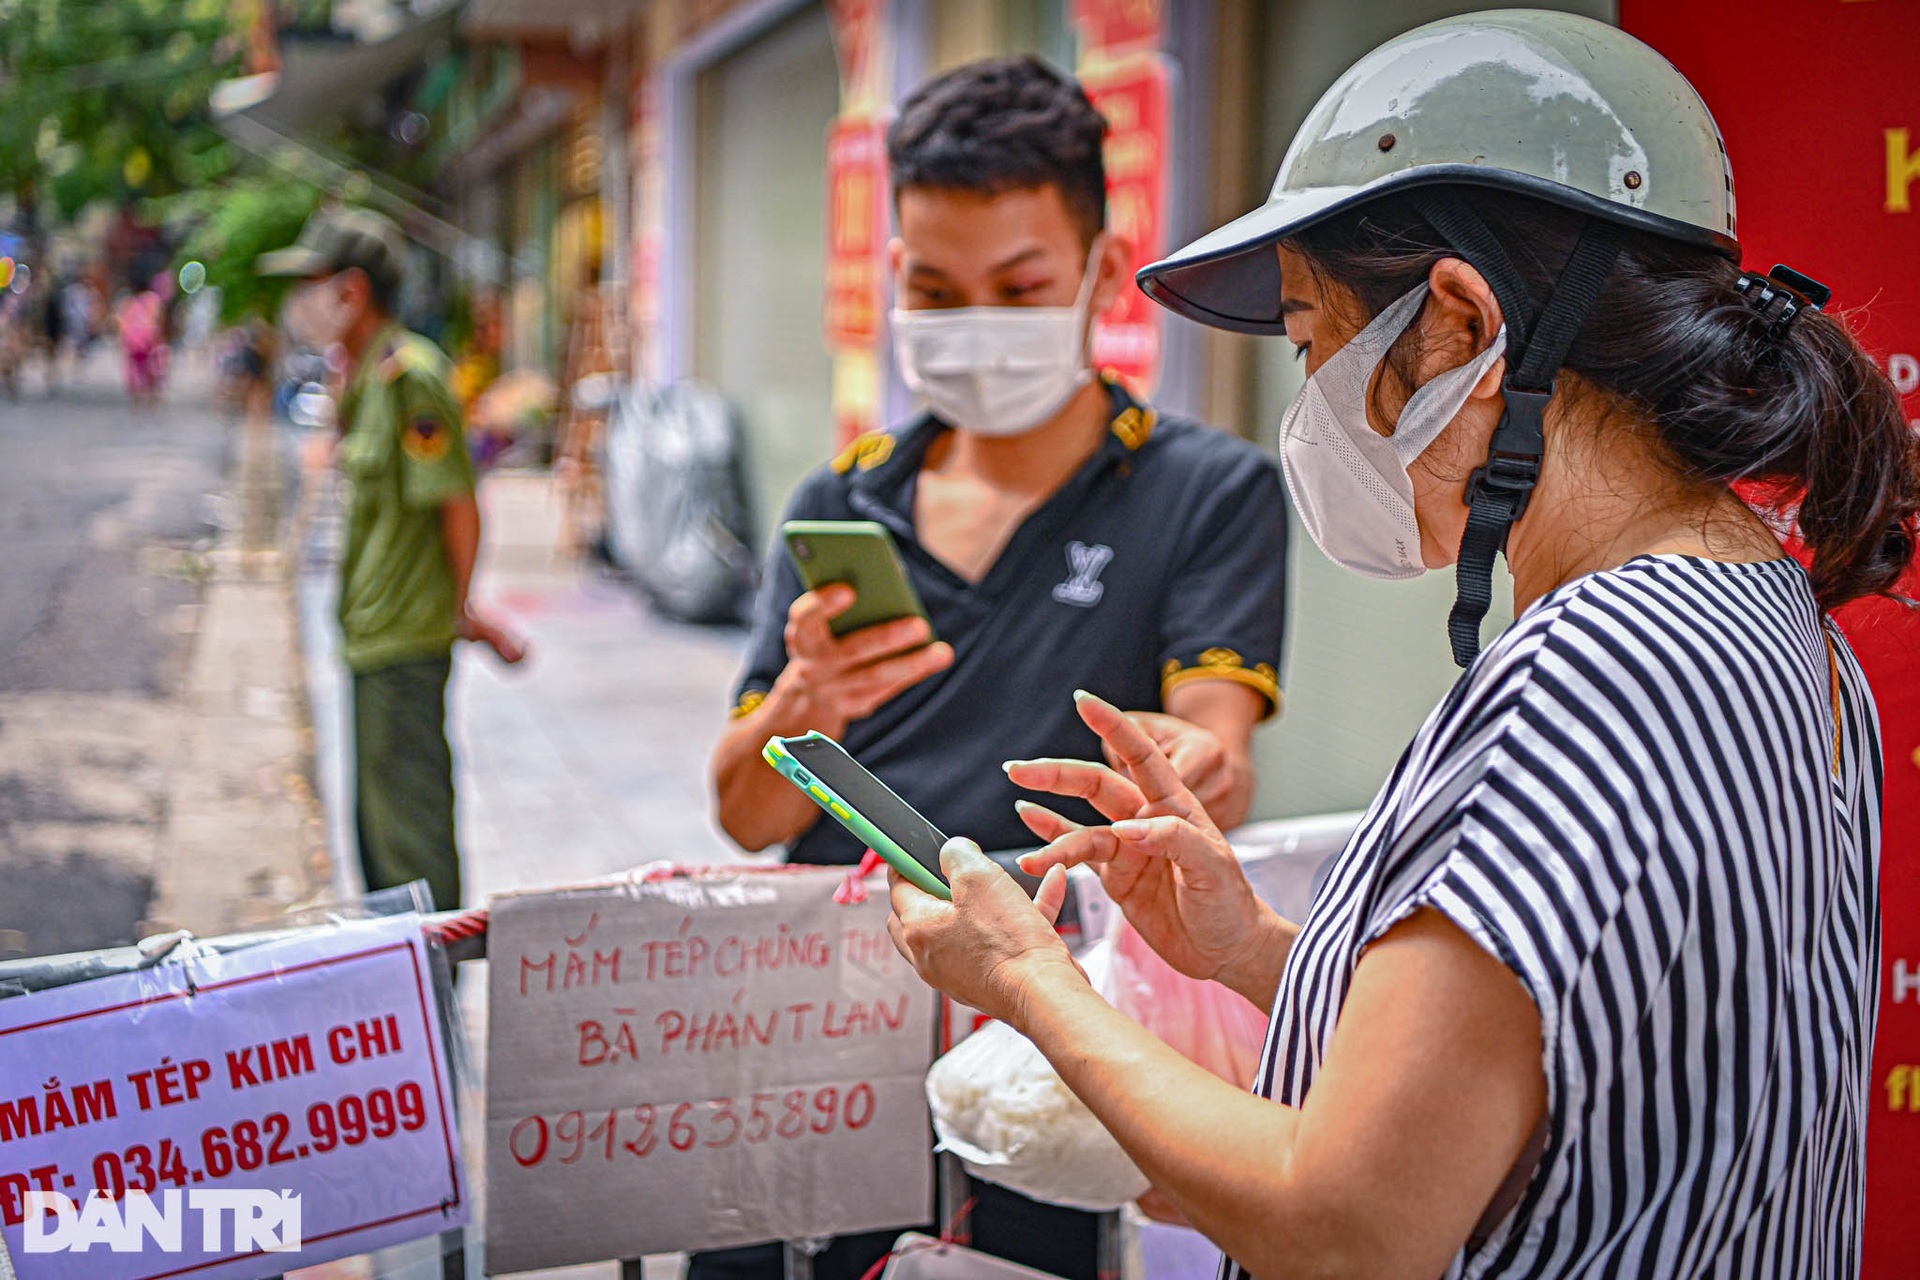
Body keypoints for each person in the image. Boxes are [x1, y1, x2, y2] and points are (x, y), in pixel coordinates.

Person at [885, 12, 1918, 1280]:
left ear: (1458, 326)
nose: (1307, 404)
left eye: (1313, 342)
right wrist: (1252, 948)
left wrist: (1031, 979)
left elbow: (1348, 1224)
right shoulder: (1771, 616)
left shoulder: (1601, 667)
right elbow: (1547, 1073)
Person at [707, 56, 1288, 1280]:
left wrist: (1186, 763)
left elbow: (1215, 753)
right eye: (934, 285)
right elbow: (746, 807)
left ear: (1093, 264)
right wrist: (808, 704)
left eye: (1018, 284)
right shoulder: (841, 497)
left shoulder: (1202, 492)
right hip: (819, 1017)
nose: (976, 317)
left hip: (1048, 1041)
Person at [261, 207, 528, 913]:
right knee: (375, 833)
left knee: (409, 838)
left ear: (352, 290)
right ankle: (400, 985)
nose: (302, 303)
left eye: (313, 284)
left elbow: (459, 506)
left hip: (405, 638)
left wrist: (461, 607)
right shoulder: (365, 376)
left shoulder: (411, 376)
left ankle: (432, 987)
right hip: (370, 632)